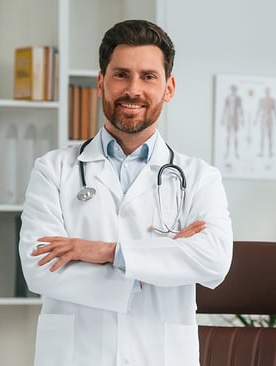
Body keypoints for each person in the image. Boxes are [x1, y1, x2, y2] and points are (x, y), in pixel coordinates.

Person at [19, 19, 233, 366]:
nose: (133, 89)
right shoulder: (53, 170)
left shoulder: (199, 177)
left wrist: (105, 252)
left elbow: (214, 261)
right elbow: (39, 268)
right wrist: (160, 263)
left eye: (148, 76)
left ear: (169, 87)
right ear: (101, 83)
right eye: (121, 75)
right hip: (77, 355)